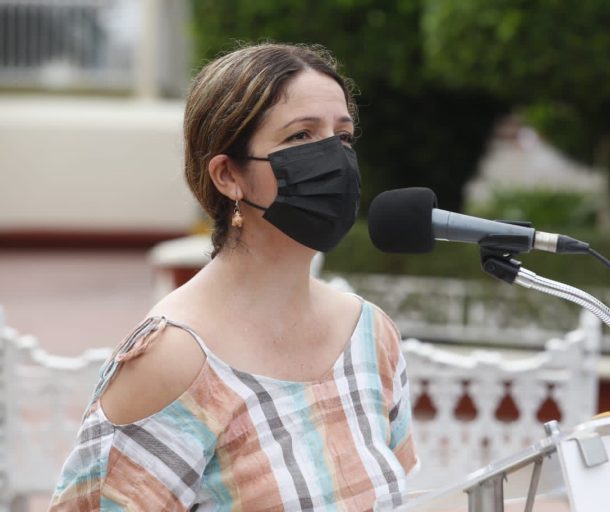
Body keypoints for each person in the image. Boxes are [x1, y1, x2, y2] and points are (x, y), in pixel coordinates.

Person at [49, 43, 417, 511]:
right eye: (301, 136)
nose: (333, 158)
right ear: (228, 176)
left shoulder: (370, 333)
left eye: (341, 137)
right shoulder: (174, 359)